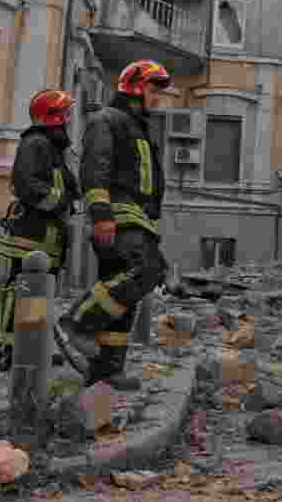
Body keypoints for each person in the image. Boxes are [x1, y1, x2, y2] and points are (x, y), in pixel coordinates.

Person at [57, 60, 171, 390]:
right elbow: (95, 169)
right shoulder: (107, 120)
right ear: (134, 88)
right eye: (153, 89)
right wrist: (102, 215)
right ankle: (77, 322)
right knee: (142, 273)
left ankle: (106, 370)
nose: (157, 98)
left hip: (138, 219)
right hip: (119, 216)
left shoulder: (138, 129)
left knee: (123, 299)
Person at [0, 89, 81, 372]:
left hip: (47, 236)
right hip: (29, 235)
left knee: (41, 295)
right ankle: (11, 349)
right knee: (19, 291)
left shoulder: (53, 147)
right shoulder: (35, 143)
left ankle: (33, 345)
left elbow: (60, 185)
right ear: (53, 117)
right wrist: (62, 202)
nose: (69, 119)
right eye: (65, 114)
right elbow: (27, 185)